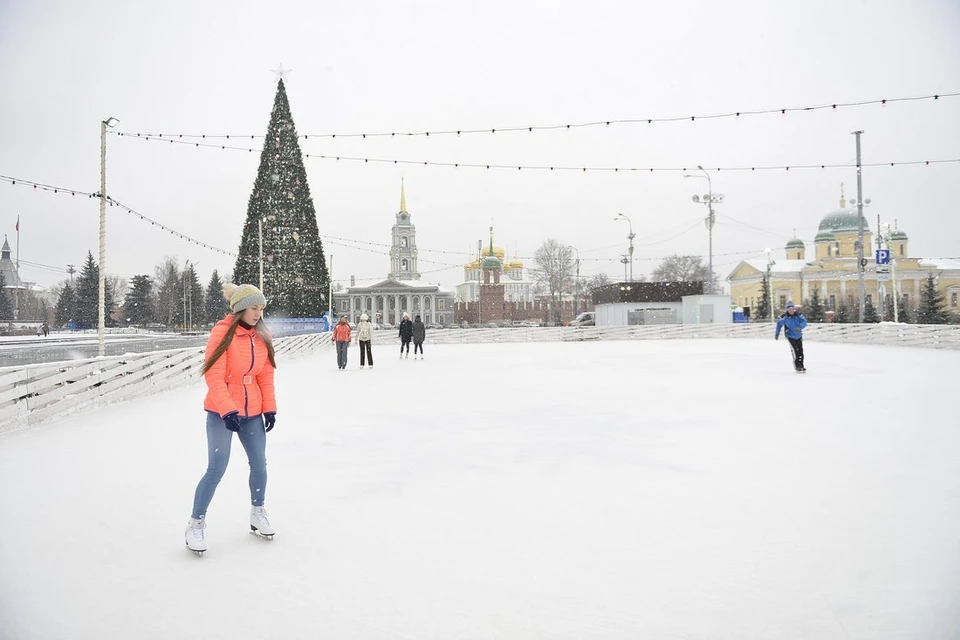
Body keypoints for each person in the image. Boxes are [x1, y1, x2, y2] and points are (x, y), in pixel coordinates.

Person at [185, 283, 277, 555]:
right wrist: (227, 410)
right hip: (221, 412)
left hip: (252, 413)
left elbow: (265, 375)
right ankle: (195, 523)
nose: (258, 314)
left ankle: (257, 511)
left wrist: (269, 407)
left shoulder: (262, 335)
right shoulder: (222, 333)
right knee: (217, 467)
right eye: (253, 308)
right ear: (239, 308)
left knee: (259, 463)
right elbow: (214, 375)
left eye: (261, 308)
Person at [775, 300, 808, 372]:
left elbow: (804, 322)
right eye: (789, 309)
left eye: (792, 309)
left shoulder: (798, 315)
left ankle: (801, 364)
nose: (791, 311)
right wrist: (777, 334)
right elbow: (779, 325)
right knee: (795, 350)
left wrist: (800, 327)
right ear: (787, 310)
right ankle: (797, 365)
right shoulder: (784, 317)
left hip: (798, 335)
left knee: (800, 351)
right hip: (790, 336)